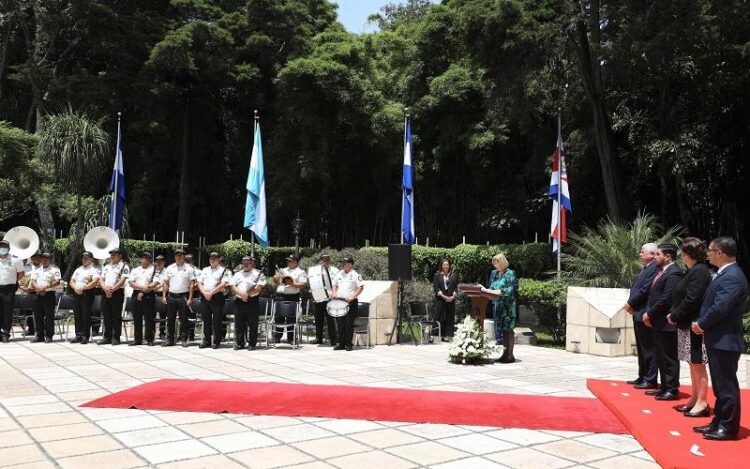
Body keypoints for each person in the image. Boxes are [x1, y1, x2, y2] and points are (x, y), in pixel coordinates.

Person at [692, 236, 748, 441]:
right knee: (719, 385)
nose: (707, 254)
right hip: (718, 338)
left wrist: (701, 324)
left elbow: (721, 307)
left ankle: (728, 426)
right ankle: (719, 421)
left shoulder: (732, 276)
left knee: (726, 385)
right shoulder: (724, 273)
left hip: (725, 339)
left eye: (709, 250)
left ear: (720, 253)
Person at [666, 237, 712, 417]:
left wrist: (675, 315)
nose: (681, 255)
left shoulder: (699, 271)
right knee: (692, 363)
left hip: (695, 324)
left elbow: (692, 299)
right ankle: (694, 398)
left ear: (689, 254)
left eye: (683, 252)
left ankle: (702, 402)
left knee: (698, 363)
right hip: (687, 324)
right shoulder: (692, 271)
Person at [642, 244, 684, 400]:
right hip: (658, 322)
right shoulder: (662, 271)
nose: (655, 257)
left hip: (667, 323)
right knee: (660, 355)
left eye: (658, 254)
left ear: (668, 257)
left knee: (669, 357)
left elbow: (666, 299)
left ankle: (672, 389)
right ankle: (664, 386)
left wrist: (649, 314)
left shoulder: (674, 273)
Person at [624, 243, 660, 389]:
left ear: (651, 254)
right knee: (641, 347)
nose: (640, 254)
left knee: (648, 347)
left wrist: (630, 303)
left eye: (642, 252)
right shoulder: (647, 268)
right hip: (638, 311)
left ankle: (650, 379)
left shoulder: (654, 268)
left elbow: (645, 290)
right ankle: (642, 376)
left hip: (644, 311)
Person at [481, 254, 518, 363]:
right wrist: (484, 291)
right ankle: (504, 354)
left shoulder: (510, 273)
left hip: (508, 305)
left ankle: (510, 355)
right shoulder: (496, 274)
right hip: (499, 305)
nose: (495, 265)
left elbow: (508, 290)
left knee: (508, 330)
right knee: (503, 330)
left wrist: (489, 291)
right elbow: (492, 288)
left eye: (497, 263)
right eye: (494, 263)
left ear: (502, 262)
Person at [161, 249, 195, 347]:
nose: (178, 257)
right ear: (174, 257)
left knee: (183, 319)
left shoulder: (189, 268)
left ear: (184, 256)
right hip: (171, 296)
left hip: (183, 296)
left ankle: (184, 339)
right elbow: (165, 283)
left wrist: (190, 298)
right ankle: (170, 340)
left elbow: (192, 284)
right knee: (170, 319)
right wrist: (164, 296)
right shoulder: (170, 268)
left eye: (180, 255)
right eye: (177, 255)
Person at [197, 252, 232, 349]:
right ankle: (207, 340)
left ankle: (217, 341)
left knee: (217, 319)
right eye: (211, 258)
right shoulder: (205, 269)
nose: (212, 260)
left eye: (215, 258)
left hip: (217, 296)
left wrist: (211, 292)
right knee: (206, 319)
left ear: (219, 259)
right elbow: (199, 282)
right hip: (205, 296)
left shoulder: (224, 270)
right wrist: (204, 292)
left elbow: (223, 284)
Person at [231, 256, 266, 350]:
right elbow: (233, 286)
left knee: (253, 324)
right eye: (244, 263)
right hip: (239, 301)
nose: (246, 265)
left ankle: (252, 344)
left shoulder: (258, 274)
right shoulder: (237, 274)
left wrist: (247, 294)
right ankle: (240, 343)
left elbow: (259, 287)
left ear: (252, 263)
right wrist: (241, 294)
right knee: (239, 323)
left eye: (248, 263)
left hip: (252, 301)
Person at [97, 248, 129, 345]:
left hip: (117, 293)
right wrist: (105, 289)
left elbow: (122, 280)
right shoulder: (106, 266)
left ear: (120, 256)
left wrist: (112, 289)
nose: (112, 256)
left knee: (116, 316)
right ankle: (107, 337)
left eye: (115, 254)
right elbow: (101, 279)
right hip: (105, 292)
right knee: (106, 316)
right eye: (111, 254)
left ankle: (116, 338)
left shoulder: (124, 266)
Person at [331, 257, 364, 351]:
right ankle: (341, 343)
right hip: (339, 302)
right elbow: (334, 284)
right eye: (342, 263)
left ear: (350, 264)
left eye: (344, 263)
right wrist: (334, 292)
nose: (343, 264)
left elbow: (361, 287)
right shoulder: (339, 274)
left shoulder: (355, 275)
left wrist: (353, 296)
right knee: (340, 323)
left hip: (351, 303)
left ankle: (349, 344)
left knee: (348, 324)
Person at [273, 254, 307, 343]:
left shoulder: (301, 272)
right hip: (280, 296)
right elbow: (276, 281)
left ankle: (291, 338)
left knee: (291, 318)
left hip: (292, 296)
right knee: (278, 317)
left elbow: (303, 285)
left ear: (296, 262)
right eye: (288, 261)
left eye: (290, 261)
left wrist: (291, 283)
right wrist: (276, 277)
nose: (288, 262)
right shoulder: (283, 270)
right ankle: (277, 337)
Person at [29, 253, 61, 343]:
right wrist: (38, 288)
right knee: (38, 316)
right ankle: (39, 335)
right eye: (43, 258)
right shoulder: (37, 269)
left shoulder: (55, 269)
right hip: (37, 294)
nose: (44, 260)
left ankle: (49, 335)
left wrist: (45, 287)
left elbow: (57, 281)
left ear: (50, 260)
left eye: (46, 259)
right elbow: (33, 281)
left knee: (49, 316)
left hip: (49, 294)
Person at [128, 252, 159, 346]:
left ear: (150, 260)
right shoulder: (135, 270)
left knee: (149, 318)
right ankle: (137, 339)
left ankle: (149, 339)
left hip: (149, 294)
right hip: (136, 294)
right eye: (143, 258)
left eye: (148, 258)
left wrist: (144, 291)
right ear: (140, 259)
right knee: (137, 318)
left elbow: (155, 283)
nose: (145, 260)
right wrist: (142, 288)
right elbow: (131, 283)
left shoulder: (154, 270)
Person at [68, 251, 100, 344]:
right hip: (77, 293)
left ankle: (85, 336)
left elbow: (95, 281)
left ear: (91, 259)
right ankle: (78, 335)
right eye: (83, 258)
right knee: (77, 315)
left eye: (86, 258)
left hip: (87, 293)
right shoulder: (78, 269)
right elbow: (71, 281)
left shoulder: (94, 270)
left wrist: (84, 288)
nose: (84, 259)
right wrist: (75, 288)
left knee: (85, 315)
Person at [311, 254, 338, 345]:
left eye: (327, 260)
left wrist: (335, 293)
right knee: (318, 318)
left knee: (330, 319)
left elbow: (337, 283)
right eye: (324, 260)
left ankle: (333, 339)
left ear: (330, 260)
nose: (325, 261)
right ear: (320, 261)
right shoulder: (315, 270)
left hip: (330, 294)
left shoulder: (335, 270)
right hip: (319, 294)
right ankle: (318, 338)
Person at [0, 239, 25, 342]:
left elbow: (21, 273)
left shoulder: (15, 260)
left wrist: (14, 281)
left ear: (9, 248)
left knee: (7, 311)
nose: (2, 248)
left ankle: (5, 333)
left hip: (8, 288)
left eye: (4, 246)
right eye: (1, 246)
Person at [433, 258, 458, 342]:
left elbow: (456, 287)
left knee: (450, 317)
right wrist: (443, 296)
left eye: (447, 265)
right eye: (444, 265)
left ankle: (448, 336)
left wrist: (453, 297)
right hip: (441, 299)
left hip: (451, 299)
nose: (446, 266)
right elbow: (436, 288)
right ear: (441, 266)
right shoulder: (437, 275)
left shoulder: (453, 275)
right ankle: (436, 336)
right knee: (438, 316)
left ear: (449, 266)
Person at [20, 252, 42, 336]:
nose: (38, 259)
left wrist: (35, 288)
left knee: (40, 311)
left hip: (40, 291)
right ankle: (31, 329)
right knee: (28, 311)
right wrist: (24, 288)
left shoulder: (43, 267)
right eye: (36, 257)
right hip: (28, 292)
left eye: (39, 257)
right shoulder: (25, 267)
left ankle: (41, 329)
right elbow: (22, 279)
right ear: (32, 258)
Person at [153, 255, 167, 339]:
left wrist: (159, 286)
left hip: (162, 294)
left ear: (164, 262)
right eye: (157, 261)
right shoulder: (152, 270)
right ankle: (152, 331)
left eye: (160, 261)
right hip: (153, 294)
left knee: (163, 314)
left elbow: (166, 283)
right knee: (152, 314)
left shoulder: (166, 271)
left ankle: (162, 332)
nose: (158, 263)